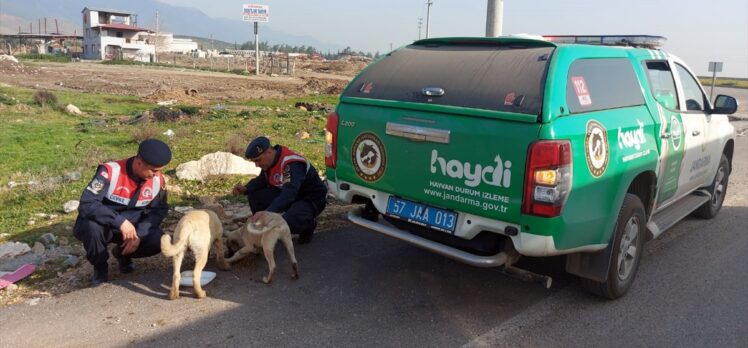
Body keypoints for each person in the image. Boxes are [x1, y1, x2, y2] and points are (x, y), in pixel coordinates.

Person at [74, 139, 172, 285]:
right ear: (139, 162)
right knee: (91, 228)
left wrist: (140, 233)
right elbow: (87, 204)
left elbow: (159, 210)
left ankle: (122, 254)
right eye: (153, 170)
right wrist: (119, 221)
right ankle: (100, 268)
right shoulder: (110, 172)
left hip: (133, 228)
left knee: (159, 240)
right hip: (104, 224)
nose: (156, 175)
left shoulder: (157, 180)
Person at [233, 136, 327, 244]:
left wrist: (267, 212)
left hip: (311, 199)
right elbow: (263, 180)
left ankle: (308, 225)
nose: (256, 165)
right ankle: (264, 227)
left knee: (287, 223)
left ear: (268, 152)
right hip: (293, 196)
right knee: (255, 195)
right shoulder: (271, 161)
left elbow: (289, 193)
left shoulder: (290, 163)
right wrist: (246, 189)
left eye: (258, 160)